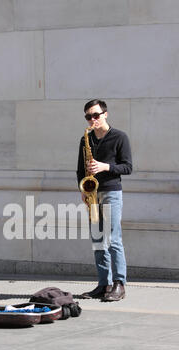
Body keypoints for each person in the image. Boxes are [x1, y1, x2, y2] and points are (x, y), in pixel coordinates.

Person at [77, 99, 132, 301]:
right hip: (92, 195)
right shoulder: (86, 139)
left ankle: (119, 284)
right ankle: (103, 284)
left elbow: (128, 167)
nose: (92, 119)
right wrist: (82, 188)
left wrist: (105, 167)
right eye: (88, 116)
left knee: (113, 239)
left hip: (110, 192)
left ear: (105, 114)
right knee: (98, 240)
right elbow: (80, 168)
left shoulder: (120, 137)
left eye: (96, 115)